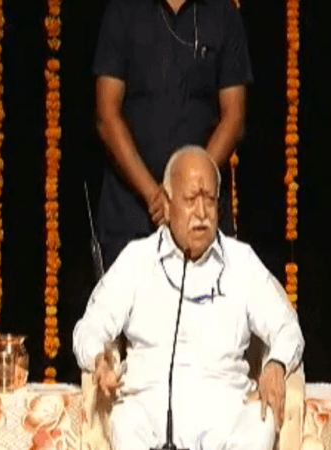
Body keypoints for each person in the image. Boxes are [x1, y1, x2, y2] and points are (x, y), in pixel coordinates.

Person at [73, 147, 303, 450]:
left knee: (258, 426)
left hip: (226, 413)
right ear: (167, 206)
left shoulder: (242, 261)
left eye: (209, 199)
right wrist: (98, 358)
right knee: (126, 424)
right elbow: (88, 328)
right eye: (191, 199)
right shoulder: (137, 260)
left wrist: (275, 364)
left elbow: (287, 327)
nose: (202, 213)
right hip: (150, 411)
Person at [93, 0, 252, 269]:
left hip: (199, 218)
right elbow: (107, 116)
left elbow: (234, 117)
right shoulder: (122, 9)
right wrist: (155, 196)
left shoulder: (222, 13)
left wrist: (188, 192)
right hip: (131, 214)